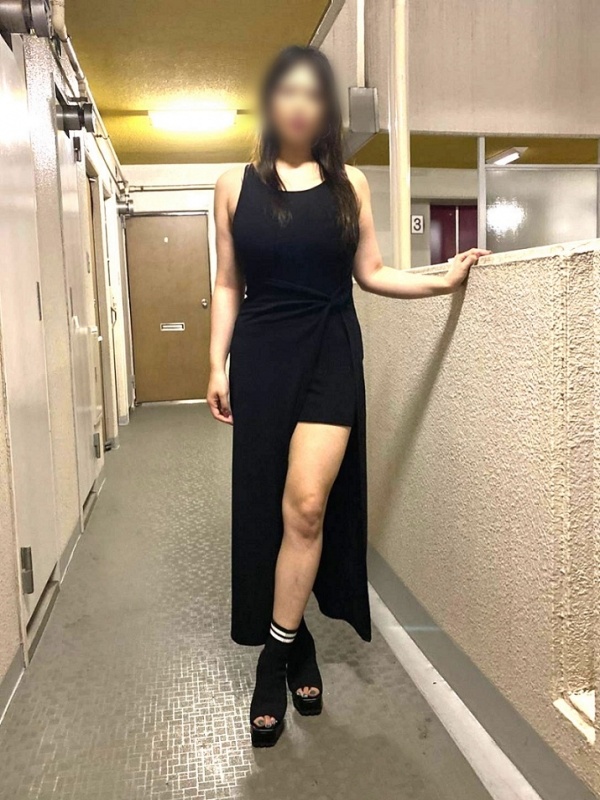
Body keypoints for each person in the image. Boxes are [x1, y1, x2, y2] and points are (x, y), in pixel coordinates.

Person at [208, 45, 489, 748]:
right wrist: (216, 363)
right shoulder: (234, 185)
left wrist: (441, 278)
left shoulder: (350, 185)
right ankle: (295, 638)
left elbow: (373, 272)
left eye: (314, 94)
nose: (300, 105)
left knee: (307, 506)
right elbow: (227, 282)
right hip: (262, 356)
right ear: (271, 102)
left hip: (331, 352)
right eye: (288, 91)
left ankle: (273, 661)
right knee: (268, 507)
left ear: (328, 108)